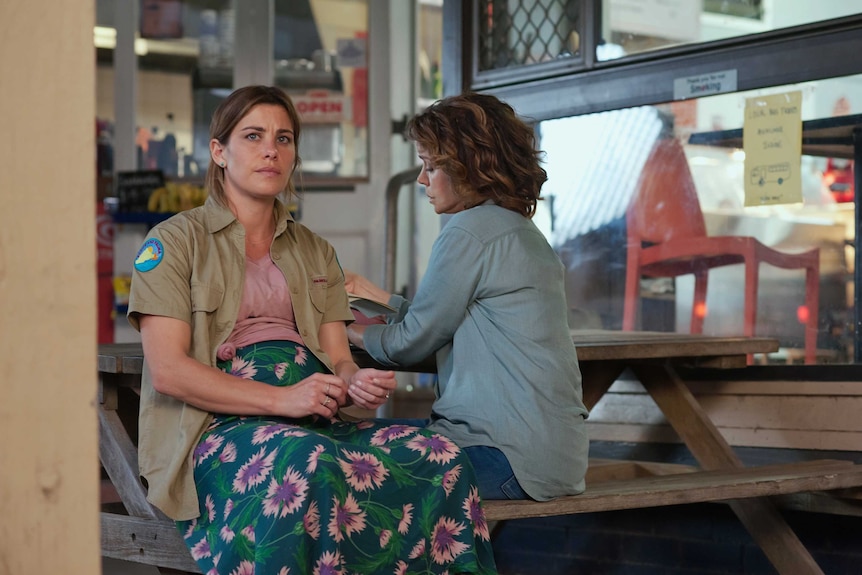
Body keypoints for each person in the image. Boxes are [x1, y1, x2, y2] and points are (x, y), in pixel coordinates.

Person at [127, 85, 497, 575]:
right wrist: (282, 400)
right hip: (218, 429)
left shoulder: (315, 250)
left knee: (440, 454)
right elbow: (170, 372)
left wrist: (353, 382)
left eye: (284, 139)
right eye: (253, 136)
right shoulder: (174, 243)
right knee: (306, 462)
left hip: (316, 420)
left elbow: (338, 357)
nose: (270, 150)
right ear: (219, 151)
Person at [346, 92, 590, 503]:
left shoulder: (468, 230)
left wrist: (341, 330)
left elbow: (409, 344)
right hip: (554, 460)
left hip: (502, 456)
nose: (422, 180)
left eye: (431, 166)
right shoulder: (520, 232)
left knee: (332, 458)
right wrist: (374, 295)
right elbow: (444, 320)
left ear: (469, 168)